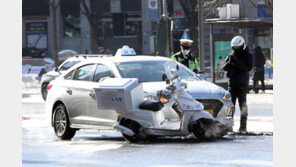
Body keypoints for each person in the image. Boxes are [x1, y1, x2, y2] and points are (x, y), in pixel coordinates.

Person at [222, 36, 253, 132]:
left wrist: (237, 63)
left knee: (242, 105)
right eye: (234, 48)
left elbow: (247, 68)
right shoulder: (232, 55)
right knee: (230, 106)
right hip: (232, 84)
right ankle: (228, 126)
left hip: (242, 84)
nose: (235, 50)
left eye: (237, 48)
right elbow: (224, 67)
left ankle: (243, 127)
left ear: (242, 45)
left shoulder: (248, 56)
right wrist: (229, 63)